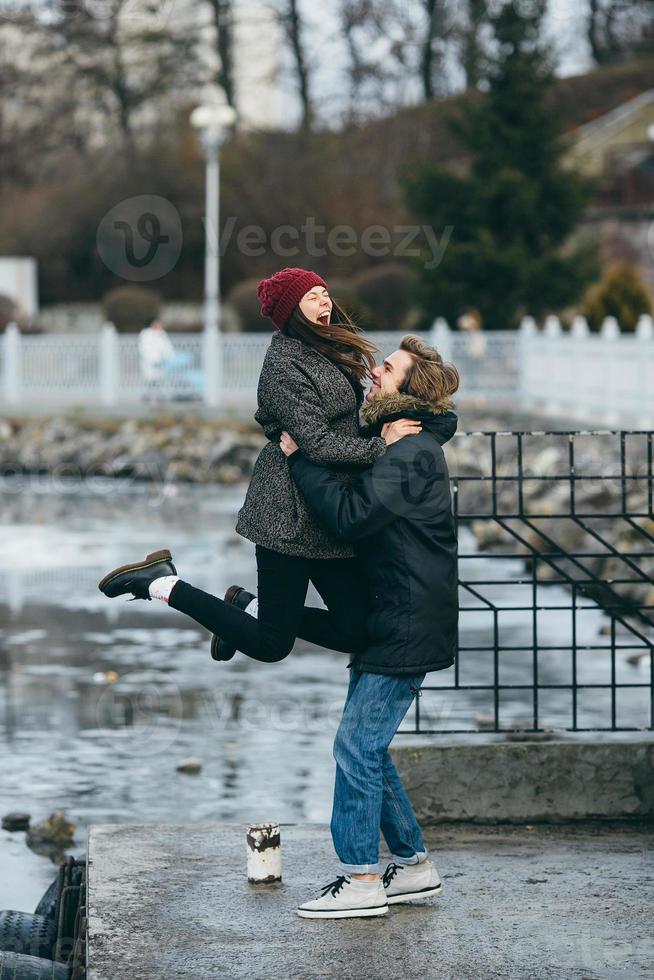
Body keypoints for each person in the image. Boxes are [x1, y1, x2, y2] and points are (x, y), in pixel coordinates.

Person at [98, 267, 418, 665]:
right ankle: (161, 583)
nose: (325, 302)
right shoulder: (283, 366)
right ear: (292, 311)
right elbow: (315, 443)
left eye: (324, 292)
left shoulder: (327, 348)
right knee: (271, 645)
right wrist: (381, 447)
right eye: (313, 297)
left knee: (354, 629)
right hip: (285, 512)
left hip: (327, 509)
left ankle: (244, 607)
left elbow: (344, 421)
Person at [277, 334, 460, 919]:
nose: (375, 372)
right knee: (370, 750)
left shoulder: (410, 453)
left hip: (405, 624)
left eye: (388, 369)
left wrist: (299, 456)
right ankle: (413, 867)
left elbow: (352, 517)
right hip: (394, 619)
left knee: (354, 747)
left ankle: (359, 879)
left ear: (409, 392)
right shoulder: (400, 443)